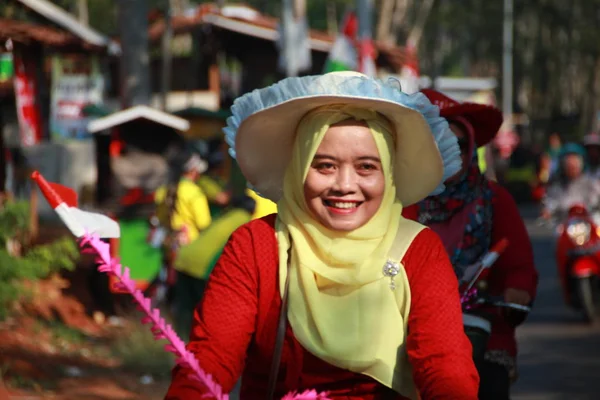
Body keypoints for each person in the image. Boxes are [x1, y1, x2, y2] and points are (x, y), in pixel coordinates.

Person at [165, 71, 478, 399]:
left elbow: (445, 365)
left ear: (389, 172)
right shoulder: (256, 246)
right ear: (298, 168)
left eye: (366, 167)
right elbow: (212, 357)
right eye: (325, 165)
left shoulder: (419, 250)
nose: (344, 185)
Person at [404, 89, 538, 400]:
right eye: (438, 145)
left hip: (482, 329)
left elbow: (519, 266)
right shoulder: (401, 199)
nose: (450, 155)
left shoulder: (494, 199)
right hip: (408, 328)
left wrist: (516, 291)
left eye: (459, 146)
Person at [154, 151, 212, 335]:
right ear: (193, 171)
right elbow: (204, 223)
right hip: (189, 249)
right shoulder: (194, 193)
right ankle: (184, 329)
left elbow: (160, 217)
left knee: (168, 284)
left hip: (169, 245)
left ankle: (165, 322)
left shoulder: (164, 190)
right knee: (187, 294)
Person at [542, 143, 600, 219]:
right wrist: (548, 211)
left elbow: (596, 200)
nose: (572, 165)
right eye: (568, 163)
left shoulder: (591, 183)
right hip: (565, 223)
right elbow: (550, 202)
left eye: (575, 162)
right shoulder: (557, 186)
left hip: (588, 222)